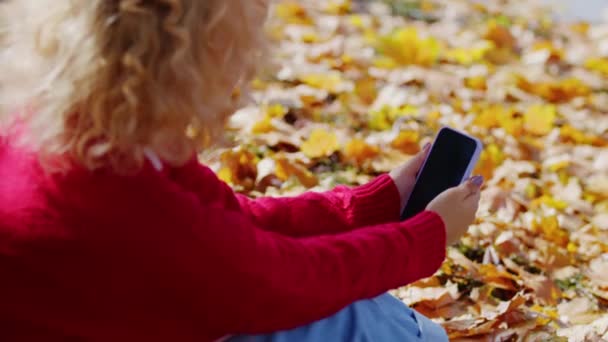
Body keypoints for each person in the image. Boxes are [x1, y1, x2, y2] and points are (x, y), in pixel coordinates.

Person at [0, 1, 482, 341]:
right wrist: (426, 237)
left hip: (117, 313)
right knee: (354, 323)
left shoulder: (73, 135)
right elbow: (287, 279)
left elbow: (236, 222)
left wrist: (381, 202)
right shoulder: (140, 208)